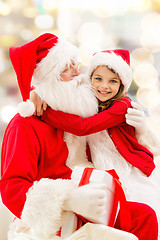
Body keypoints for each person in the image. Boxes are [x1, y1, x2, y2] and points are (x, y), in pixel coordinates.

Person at [0, 33, 158, 240]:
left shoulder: (79, 109)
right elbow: (12, 187)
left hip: (93, 203)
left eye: (76, 64)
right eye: (67, 68)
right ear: (50, 78)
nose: (77, 73)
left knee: (145, 216)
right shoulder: (24, 124)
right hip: (55, 218)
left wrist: (141, 131)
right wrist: (68, 200)